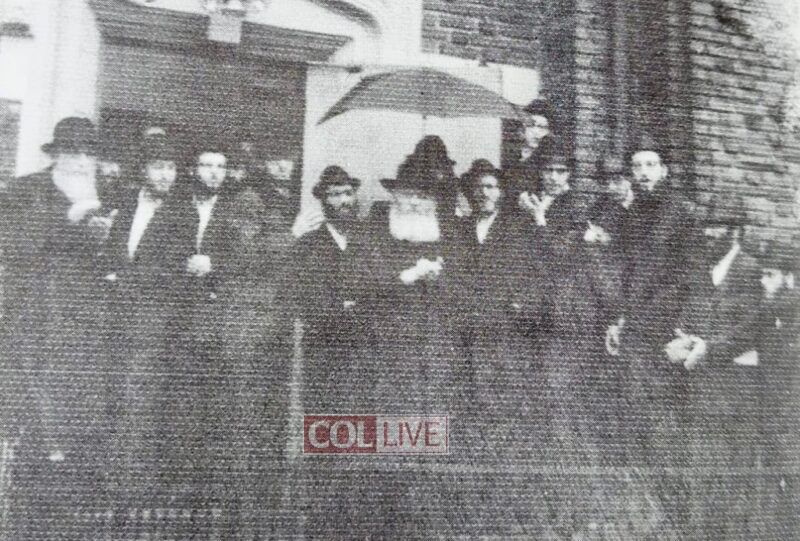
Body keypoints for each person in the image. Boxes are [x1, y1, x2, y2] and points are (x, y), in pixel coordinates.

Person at [1, 117, 114, 534]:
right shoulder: (27, 189)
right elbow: (12, 243)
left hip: (89, 325)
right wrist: (68, 219)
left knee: (81, 412)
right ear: (57, 154)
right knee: (38, 413)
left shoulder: (108, 194)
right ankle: (28, 515)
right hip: (39, 320)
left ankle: (71, 513)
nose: (83, 161)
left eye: (90, 152)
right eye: (74, 152)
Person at [456, 158, 547, 533]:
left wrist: (518, 307)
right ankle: (477, 503)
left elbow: (539, 275)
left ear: (502, 192)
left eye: (491, 186)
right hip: (471, 335)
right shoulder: (460, 230)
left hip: (508, 337)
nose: (484, 193)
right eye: (478, 187)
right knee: (473, 406)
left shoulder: (519, 228)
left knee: (507, 409)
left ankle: (512, 502)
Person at [664, 201, 763, 538]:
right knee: (699, 465)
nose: (707, 233)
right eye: (706, 226)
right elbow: (687, 317)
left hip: (734, 388)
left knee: (732, 472)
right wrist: (683, 338)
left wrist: (709, 347)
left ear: (735, 232)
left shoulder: (750, 270)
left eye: (716, 227)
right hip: (698, 386)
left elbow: (751, 329)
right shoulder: (701, 269)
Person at [100, 129, 185, 491]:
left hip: (155, 323)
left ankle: (132, 482)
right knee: (113, 392)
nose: (166, 175)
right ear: (142, 170)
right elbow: (112, 254)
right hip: (116, 319)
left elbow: (173, 269)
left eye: (171, 167)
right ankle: (110, 476)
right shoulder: (123, 205)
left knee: (142, 398)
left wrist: (123, 278)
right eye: (158, 167)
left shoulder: (183, 215)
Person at [292, 165, 363, 413]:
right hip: (322, 347)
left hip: (361, 349)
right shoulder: (308, 244)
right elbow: (303, 297)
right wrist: (340, 307)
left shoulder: (366, 240)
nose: (344, 201)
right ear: (323, 200)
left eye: (347, 193)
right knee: (322, 417)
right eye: (334, 194)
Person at [504, 98, 555, 213]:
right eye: (531, 125)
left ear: (549, 132)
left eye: (542, 127)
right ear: (521, 130)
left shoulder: (549, 161)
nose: (536, 131)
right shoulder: (513, 158)